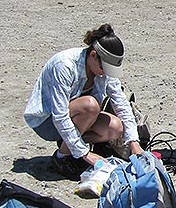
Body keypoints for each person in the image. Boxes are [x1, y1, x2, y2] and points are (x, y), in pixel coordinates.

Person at [23, 23, 144, 177]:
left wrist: (134, 142)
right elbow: (59, 116)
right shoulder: (64, 65)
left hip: (77, 118)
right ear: (93, 55)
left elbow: (121, 103)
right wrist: (86, 153)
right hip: (47, 121)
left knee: (116, 128)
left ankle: (68, 145)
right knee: (91, 105)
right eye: (104, 68)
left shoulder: (102, 69)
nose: (106, 73)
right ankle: (62, 157)